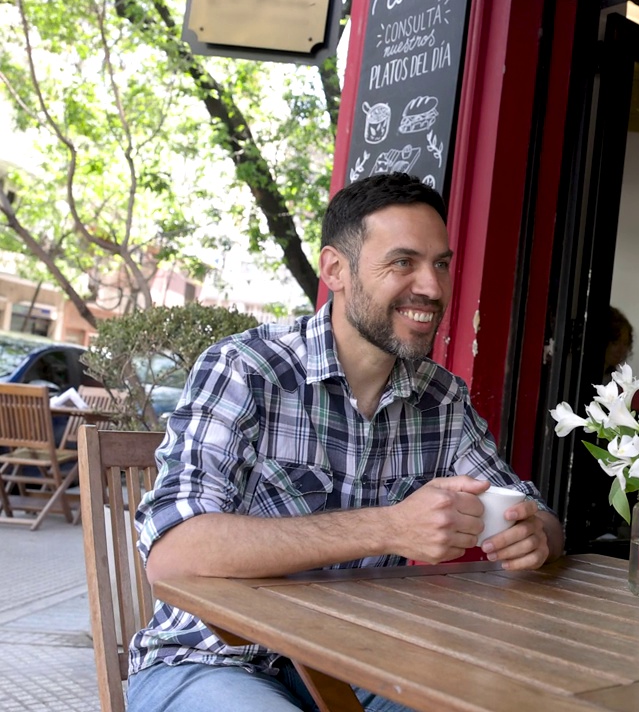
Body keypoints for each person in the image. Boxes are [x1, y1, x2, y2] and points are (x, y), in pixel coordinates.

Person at [126, 172, 565, 712]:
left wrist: (535, 535)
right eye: (403, 262)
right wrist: (392, 526)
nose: (432, 286)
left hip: (364, 664)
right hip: (212, 660)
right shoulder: (247, 368)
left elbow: (530, 510)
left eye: (441, 264)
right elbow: (175, 555)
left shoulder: (441, 398)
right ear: (335, 269)